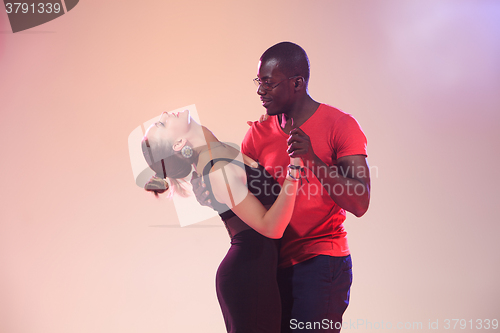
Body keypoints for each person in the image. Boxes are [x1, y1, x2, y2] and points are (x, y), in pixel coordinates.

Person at [195, 42, 370, 332]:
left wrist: (311, 158)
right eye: (259, 81)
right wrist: (213, 198)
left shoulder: (341, 125)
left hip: (320, 262)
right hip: (270, 266)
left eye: (269, 83)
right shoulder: (257, 133)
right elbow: (250, 198)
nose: (260, 90)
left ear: (297, 83)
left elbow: (360, 203)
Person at [141, 108, 304, 333]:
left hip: (258, 271)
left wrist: (269, 127)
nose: (163, 113)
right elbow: (271, 227)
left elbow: (204, 141)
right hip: (248, 275)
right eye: (162, 125)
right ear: (178, 143)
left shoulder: (214, 152)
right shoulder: (216, 168)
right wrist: (295, 168)